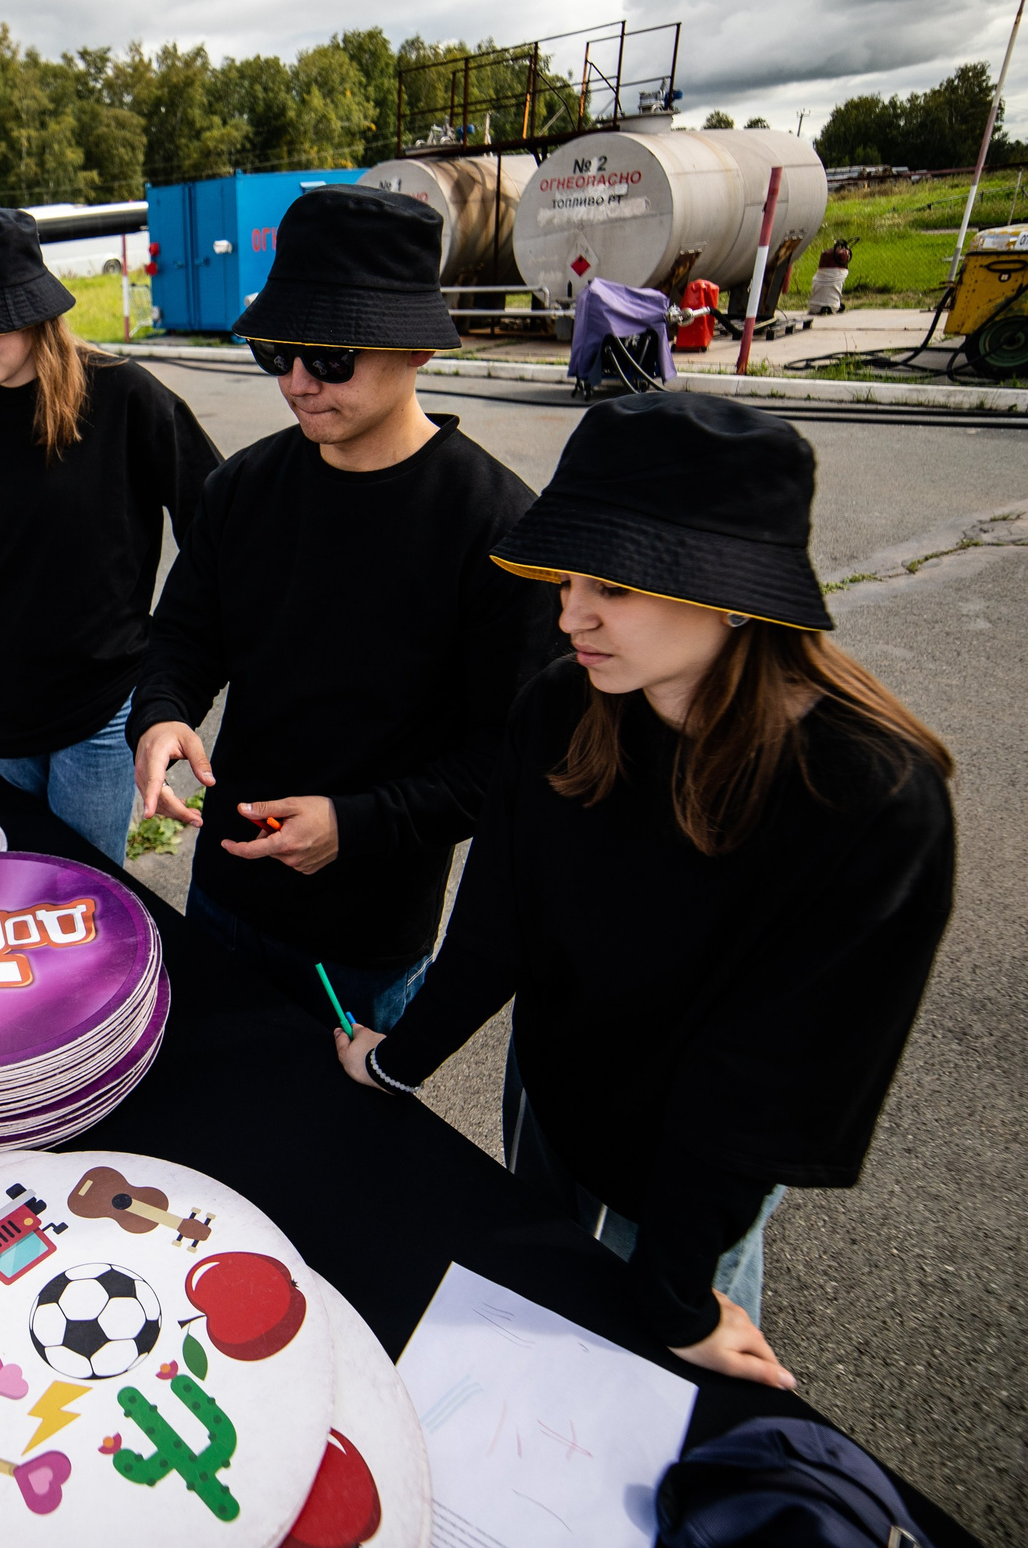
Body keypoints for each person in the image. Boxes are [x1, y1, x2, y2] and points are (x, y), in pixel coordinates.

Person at [335, 393, 956, 1392]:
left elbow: (764, 1084)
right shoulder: (559, 704)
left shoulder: (869, 798)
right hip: (553, 1095)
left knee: (649, 1396)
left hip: (689, 1176)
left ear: (736, 590)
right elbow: (494, 923)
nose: (570, 614)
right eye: (567, 575)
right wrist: (399, 1062)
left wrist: (676, 1293)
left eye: (614, 585)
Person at [131, 185, 557, 1027]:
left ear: (417, 352)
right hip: (222, 889)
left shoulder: (497, 526)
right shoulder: (244, 486)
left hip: (364, 938)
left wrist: (357, 826)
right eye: (276, 351)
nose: (295, 381)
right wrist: (163, 712)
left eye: (328, 356)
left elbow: (509, 758)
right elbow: (186, 631)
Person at [0, 208, 220, 860]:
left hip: (101, 704)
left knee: (81, 888)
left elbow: (219, 533)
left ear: (32, 307)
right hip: (2, 712)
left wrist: (172, 675)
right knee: (22, 882)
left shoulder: (126, 398)